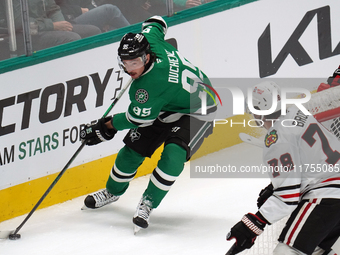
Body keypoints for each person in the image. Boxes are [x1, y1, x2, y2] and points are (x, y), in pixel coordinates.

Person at [80, 15, 218, 232]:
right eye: (125, 63)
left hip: (199, 109)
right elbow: (157, 21)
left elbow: (138, 119)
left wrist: (106, 126)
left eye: (134, 63)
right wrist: (148, 30)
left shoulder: (148, 88)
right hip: (167, 103)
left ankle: (149, 202)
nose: (129, 69)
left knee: (174, 154)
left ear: (147, 57)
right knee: (132, 151)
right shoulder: (149, 39)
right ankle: (113, 191)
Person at [226, 81, 340, 255]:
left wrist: (253, 224)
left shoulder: (276, 138)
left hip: (327, 196)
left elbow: (288, 197)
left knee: (287, 251)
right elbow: (309, 159)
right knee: (316, 250)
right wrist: (275, 187)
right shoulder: (297, 112)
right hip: (333, 189)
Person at [1, 0, 101, 55]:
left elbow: (53, 9)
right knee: (72, 38)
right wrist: (53, 26)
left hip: (46, 28)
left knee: (93, 32)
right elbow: (19, 23)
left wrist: (61, 24)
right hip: (24, 35)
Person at [55, 0, 130, 32]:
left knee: (112, 29)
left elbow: (88, 3)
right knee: (110, 10)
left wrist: (102, 19)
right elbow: (52, 9)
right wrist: (79, 10)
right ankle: (138, 40)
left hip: (83, 15)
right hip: (65, 22)